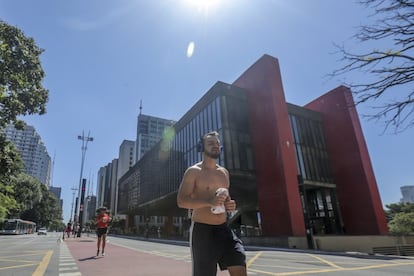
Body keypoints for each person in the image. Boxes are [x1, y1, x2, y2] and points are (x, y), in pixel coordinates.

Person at [177, 131, 247, 276]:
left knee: (239, 265)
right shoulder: (193, 172)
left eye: (217, 143)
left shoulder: (224, 172)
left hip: (224, 229)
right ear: (201, 148)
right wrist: (208, 202)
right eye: (210, 143)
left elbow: (227, 198)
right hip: (203, 232)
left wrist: (230, 205)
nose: (215, 146)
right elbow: (181, 201)